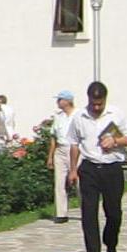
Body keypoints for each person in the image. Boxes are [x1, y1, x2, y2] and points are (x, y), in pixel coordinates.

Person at [66, 80, 127, 252]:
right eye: (94, 103)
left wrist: (115, 141)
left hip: (112, 168)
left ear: (105, 100)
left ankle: (111, 245)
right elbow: (73, 144)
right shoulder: (79, 116)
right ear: (88, 99)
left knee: (113, 213)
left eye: (100, 104)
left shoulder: (116, 114)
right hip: (89, 169)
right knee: (88, 212)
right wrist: (73, 170)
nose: (96, 107)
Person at [46, 89, 76, 222]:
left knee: (80, 181)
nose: (58, 102)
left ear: (67, 101)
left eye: (60, 100)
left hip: (75, 149)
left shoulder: (79, 115)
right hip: (61, 149)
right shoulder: (58, 117)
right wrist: (50, 156)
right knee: (59, 182)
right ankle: (61, 213)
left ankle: (87, 210)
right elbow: (53, 137)